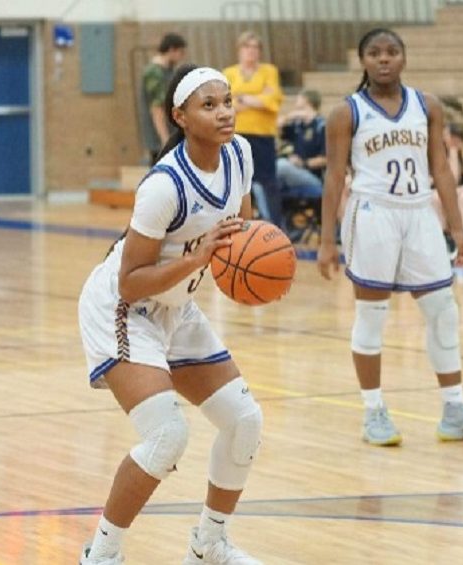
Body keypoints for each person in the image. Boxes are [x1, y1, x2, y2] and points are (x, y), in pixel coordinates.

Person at [78, 64, 263, 565]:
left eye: (227, 101)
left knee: (245, 421)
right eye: (210, 105)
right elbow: (129, 280)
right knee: (167, 435)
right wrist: (196, 259)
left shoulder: (240, 154)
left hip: (176, 305)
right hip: (122, 309)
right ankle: (103, 553)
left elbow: (240, 231)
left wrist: (254, 261)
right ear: (180, 116)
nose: (224, 111)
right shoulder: (163, 187)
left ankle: (209, 545)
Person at [317, 28, 463, 446]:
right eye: (374, 53)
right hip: (372, 214)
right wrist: (327, 238)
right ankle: (374, 412)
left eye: (392, 52)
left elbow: (440, 169)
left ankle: (455, 409)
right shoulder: (346, 112)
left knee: (444, 309)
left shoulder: (428, 105)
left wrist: (457, 228)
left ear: (404, 58)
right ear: (363, 61)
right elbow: (334, 176)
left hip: (420, 213)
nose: (384, 59)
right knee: (371, 316)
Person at [223, 31, 284, 226]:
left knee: (268, 183)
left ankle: (275, 225)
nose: (251, 51)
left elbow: (273, 100)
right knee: (236, 182)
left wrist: (242, 97)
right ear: (239, 50)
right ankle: (238, 224)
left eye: (255, 47)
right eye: (247, 47)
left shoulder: (269, 71)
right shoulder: (228, 73)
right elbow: (226, 104)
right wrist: (257, 98)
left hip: (263, 135)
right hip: (236, 135)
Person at [139, 33, 187, 163]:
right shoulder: (155, 73)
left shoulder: (169, 70)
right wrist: (165, 140)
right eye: (181, 52)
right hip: (160, 138)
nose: (182, 57)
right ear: (171, 50)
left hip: (172, 133)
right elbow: (157, 108)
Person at [276, 89, 326, 199]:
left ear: (307, 101)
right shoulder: (298, 124)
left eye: (298, 99)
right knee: (261, 181)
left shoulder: (321, 126)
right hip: (293, 172)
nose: (295, 102)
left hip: (313, 177)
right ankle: (272, 215)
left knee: (280, 166)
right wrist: (286, 119)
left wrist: (303, 163)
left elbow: (326, 159)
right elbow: (280, 131)